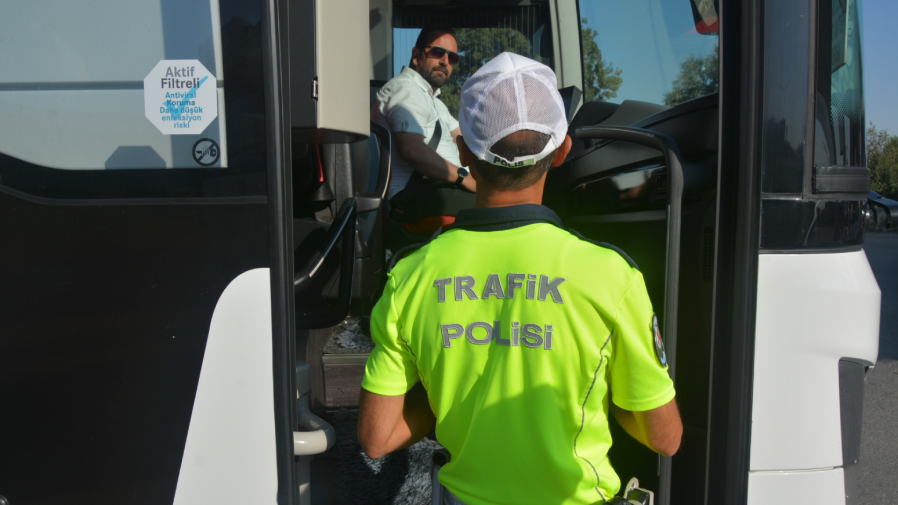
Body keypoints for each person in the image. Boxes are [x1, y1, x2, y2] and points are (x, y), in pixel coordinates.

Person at [358, 53, 682, 505]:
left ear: (466, 152)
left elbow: (377, 437)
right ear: (563, 150)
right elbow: (664, 437)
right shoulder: (612, 274)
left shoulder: (410, 275)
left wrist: (456, 396)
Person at [372, 26, 475, 232]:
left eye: (452, 58)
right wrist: (464, 177)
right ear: (416, 56)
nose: (445, 61)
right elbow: (412, 150)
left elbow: (465, 142)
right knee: (500, 212)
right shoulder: (406, 90)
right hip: (413, 198)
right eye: (437, 52)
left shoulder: (434, 100)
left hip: (438, 189)